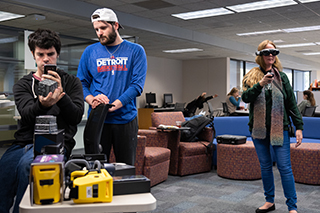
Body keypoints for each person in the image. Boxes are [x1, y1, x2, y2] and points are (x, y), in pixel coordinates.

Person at [0, 28, 84, 213]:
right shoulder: (23, 84)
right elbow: (27, 114)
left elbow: (76, 116)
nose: (46, 59)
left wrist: (61, 96)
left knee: (27, 167)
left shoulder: (71, 82)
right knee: (3, 172)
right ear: (33, 54)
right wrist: (43, 105)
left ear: (57, 54)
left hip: (56, 142)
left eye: (50, 54)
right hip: (24, 141)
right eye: (40, 54)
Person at [77, 8, 147, 166]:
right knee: (95, 167)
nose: (99, 33)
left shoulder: (135, 51)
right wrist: (92, 99)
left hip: (126, 119)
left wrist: (116, 104)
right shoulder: (90, 52)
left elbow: (137, 85)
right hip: (98, 119)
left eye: (103, 28)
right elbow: (81, 83)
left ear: (115, 25)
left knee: (126, 167)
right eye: (96, 29)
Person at [241, 40, 303, 213]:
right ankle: (269, 201)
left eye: (274, 52)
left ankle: (292, 207)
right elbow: (246, 98)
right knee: (265, 167)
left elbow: (291, 103)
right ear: (260, 54)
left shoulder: (282, 77)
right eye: (267, 52)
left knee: (284, 167)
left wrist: (298, 126)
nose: (271, 55)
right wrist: (260, 84)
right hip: (259, 130)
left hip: (279, 129)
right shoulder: (252, 76)